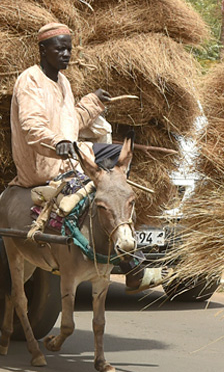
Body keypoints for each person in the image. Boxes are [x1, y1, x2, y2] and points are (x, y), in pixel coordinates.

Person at [10, 23, 159, 291]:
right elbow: (31, 126)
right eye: (60, 49)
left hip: (69, 158)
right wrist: (58, 142)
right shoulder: (29, 81)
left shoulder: (63, 82)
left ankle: (121, 235)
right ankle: (131, 263)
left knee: (118, 155)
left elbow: (70, 122)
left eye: (69, 48)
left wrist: (93, 102)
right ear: (43, 50)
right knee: (106, 175)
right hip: (43, 164)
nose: (66, 54)